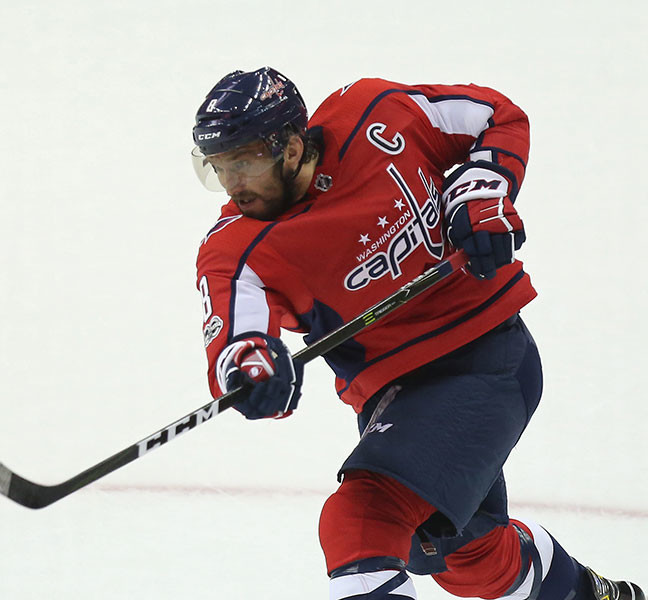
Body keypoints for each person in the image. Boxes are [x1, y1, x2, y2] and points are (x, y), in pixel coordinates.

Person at [191, 67, 643, 600]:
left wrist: (480, 191)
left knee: (361, 522)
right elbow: (237, 339)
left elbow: (495, 116)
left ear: (290, 147)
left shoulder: (374, 113)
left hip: (485, 358)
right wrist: (252, 369)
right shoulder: (234, 249)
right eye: (218, 166)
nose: (232, 182)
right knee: (467, 559)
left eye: (244, 162)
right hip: (393, 399)